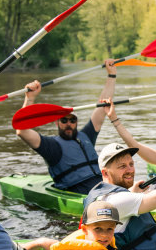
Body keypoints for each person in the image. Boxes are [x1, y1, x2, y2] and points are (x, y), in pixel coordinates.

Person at [14, 59, 118, 194]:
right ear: (57, 123)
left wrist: (111, 75)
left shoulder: (86, 136)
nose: (69, 124)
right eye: (64, 120)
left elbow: (103, 104)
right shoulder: (51, 147)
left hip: (103, 184)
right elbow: (21, 130)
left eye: (72, 120)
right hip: (78, 190)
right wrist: (30, 98)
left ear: (76, 122)